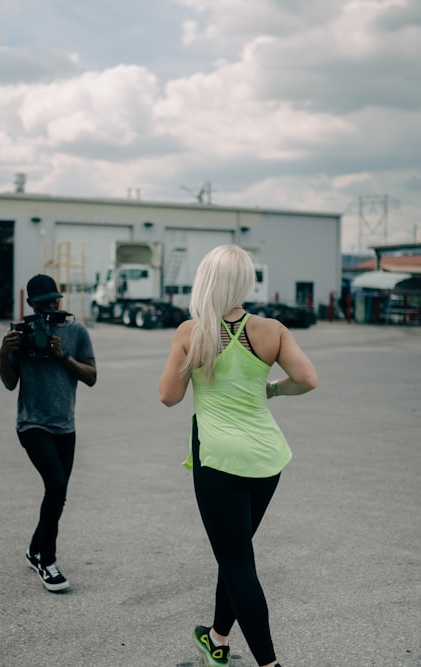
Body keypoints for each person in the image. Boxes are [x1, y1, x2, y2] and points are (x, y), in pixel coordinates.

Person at [158, 245, 318, 667]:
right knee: (235, 554)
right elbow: (307, 380)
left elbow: (168, 397)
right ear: (245, 282)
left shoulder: (192, 332)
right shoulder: (271, 330)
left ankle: (269, 664)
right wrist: (271, 389)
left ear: (206, 280)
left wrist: (194, 365)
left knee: (237, 562)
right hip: (266, 458)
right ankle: (217, 639)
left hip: (218, 460)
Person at [0, 274, 97, 592]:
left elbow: (92, 376)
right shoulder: (21, 333)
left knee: (58, 493)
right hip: (32, 423)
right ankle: (47, 561)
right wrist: (4, 353)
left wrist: (63, 356)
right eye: (41, 303)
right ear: (29, 304)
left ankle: (33, 549)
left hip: (64, 425)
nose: (49, 308)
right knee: (55, 485)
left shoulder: (75, 331)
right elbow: (9, 382)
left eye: (54, 301)